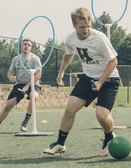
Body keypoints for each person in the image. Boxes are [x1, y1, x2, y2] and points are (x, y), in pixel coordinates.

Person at [43, 7, 120, 157]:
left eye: (88, 26)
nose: (86, 30)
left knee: (102, 115)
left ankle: (109, 137)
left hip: (109, 79)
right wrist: (61, 73)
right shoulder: (71, 38)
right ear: (74, 25)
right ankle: (60, 143)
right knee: (70, 108)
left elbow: (113, 61)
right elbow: (68, 54)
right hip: (88, 78)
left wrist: (100, 82)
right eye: (82, 27)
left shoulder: (100, 39)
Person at [0, 39, 42, 133]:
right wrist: (10, 77)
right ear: (21, 46)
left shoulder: (35, 58)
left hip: (33, 83)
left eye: (29, 45)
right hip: (19, 84)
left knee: (34, 97)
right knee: (8, 105)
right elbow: (10, 72)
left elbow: (38, 74)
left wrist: (28, 86)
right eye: (25, 44)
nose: (26, 46)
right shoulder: (16, 59)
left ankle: (25, 121)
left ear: (31, 48)